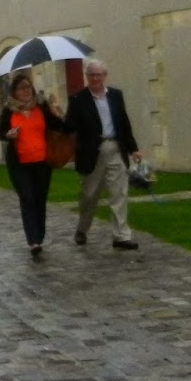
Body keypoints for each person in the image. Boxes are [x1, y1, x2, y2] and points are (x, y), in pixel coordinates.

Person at [63, 59, 142, 250]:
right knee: (89, 195)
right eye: (91, 75)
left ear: (104, 76)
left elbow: (124, 123)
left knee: (119, 194)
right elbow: (69, 127)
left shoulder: (115, 95)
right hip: (91, 153)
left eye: (98, 75)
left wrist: (133, 149)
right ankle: (82, 228)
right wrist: (58, 114)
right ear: (87, 76)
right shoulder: (78, 99)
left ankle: (121, 236)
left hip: (115, 147)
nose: (95, 78)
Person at [0, 74, 68, 258]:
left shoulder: (41, 107)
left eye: (28, 87)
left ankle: (39, 234)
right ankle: (33, 240)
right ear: (14, 92)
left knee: (39, 199)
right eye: (21, 88)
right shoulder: (9, 110)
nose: (25, 91)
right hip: (19, 164)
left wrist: (58, 112)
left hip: (42, 162)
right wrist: (9, 134)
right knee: (27, 198)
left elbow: (60, 126)